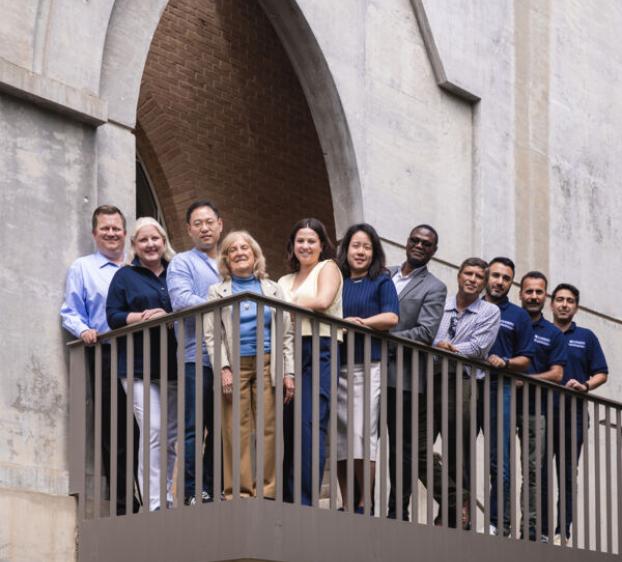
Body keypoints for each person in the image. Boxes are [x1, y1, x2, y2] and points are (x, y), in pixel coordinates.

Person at [60, 204, 139, 514]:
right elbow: (70, 310)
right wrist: (84, 330)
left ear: (125, 232)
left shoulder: (135, 267)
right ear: (94, 234)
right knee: (114, 427)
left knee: (147, 426)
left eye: (116, 228)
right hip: (106, 351)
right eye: (104, 228)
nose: (111, 233)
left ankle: (147, 493)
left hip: (143, 351)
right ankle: (123, 501)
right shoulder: (83, 267)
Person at [204, 231, 295, 499]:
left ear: (255, 255)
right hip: (235, 364)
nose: (240, 252)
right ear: (227, 259)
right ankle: (238, 492)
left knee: (269, 427)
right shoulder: (217, 291)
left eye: (245, 248)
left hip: (269, 363)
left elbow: (286, 333)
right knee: (234, 429)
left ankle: (267, 491)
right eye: (233, 249)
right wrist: (223, 368)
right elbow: (212, 334)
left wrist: (288, 372)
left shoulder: (273, 288)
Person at [106, 217, 178, 511]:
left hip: (173, 365)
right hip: (138, 367)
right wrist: (144, 316)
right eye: (143, 240)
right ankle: (153, 502)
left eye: (155, 239)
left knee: (171, 436)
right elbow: (113, 316)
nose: (150, 244)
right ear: (134, 245)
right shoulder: (125, 276)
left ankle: (168, 496)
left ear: (164, 241)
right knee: (154, 429)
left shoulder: (176, 272)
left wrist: (169, 313)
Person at [430, 257, 500, 528]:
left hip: (461, 379)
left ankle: (455, 517)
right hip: (430, 378)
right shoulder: (441, 304)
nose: (472, 279)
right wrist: (440, 346)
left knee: (458, 451)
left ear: (483, 284)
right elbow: (428, 336)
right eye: (468, 273)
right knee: (416, 448)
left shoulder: (489, 311)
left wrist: (450, 349)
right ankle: (455, 500)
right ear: (459, 275)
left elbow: (480, 347)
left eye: (478, 277)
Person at [334, 224, 399, 513]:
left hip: (368, 364)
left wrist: (361, 323)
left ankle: (365, 502)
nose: (360, 252)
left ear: (374, 253)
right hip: (336, 365)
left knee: (363, 433)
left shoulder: (382, 281)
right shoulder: (336, 281)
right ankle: (347, 502)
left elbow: (391, 317)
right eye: (355, 246)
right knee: (339, 436)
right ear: (345, 249)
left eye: (366, 247)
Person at [278, 218, 343, 506]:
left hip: (320, 347)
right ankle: (284, 497)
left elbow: (323, 299)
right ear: (292, 245)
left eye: (311, 241)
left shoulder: (327, 268)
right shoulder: (283, 281)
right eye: (300, 241)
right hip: (288, 350)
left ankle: (304, 501)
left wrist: (285, 306)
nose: (305, 246)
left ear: (321, 245)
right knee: (287, 426)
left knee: (310, 423)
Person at [386, 224, 447, 520]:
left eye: (427, 243)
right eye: (415, 240)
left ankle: (398, 511)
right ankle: (362, 504)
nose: (420, 245)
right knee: (365, 442)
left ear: (433, 251)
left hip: (406, 379)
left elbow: (425, 332)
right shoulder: (383, 274)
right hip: (370, 371)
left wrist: (384, 339)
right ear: (406, 241)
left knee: (402, 450)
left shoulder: (435, 287)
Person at [542, 283, 608, 543]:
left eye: (570, 300)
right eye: (559, 299)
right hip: (543, 411)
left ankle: (562, 532)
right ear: (552, 303)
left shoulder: (587, 337)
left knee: (567, 474)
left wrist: (586, 385)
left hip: (573, 415)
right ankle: (544, 531)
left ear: (576, 306)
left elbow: (601, 372)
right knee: (541, 473)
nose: (564, 304)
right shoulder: (542, 332)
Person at [167, 200, 223, 505]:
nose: (204, 228)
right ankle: (190, 491)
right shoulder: (182, 263)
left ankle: (213, 488)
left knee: (221, 427)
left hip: (228, 359)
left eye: (209, 221)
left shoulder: (229, 261)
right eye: (198, 223)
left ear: (220, 224)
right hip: (195, 357)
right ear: (189, 229)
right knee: (193, 428)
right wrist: (224, 303)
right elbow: (181, 301)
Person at [483, 257, 535, 536]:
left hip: (499, 387)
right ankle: (459, 515)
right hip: (468, 385)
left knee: (499, 460)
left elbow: (526, 359)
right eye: (496, 275)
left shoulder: (518, 316)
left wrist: (505, 362)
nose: (500, 281)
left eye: (506, 278)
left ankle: (498, 523)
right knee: (460, 454)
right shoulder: (472, 304)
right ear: (486, 275)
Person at [518, 271, 565, 541]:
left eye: (539, 292)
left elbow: (557, 374)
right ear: (520, 293)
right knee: (499, 466)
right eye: (529, 291)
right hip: (503, 402)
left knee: (534, 471)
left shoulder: (552, 333)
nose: (534, 296)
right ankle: (499, 522)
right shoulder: (510, 319)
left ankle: (531, 529)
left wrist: (526, 380)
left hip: (536, 409)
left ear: (545, 296)